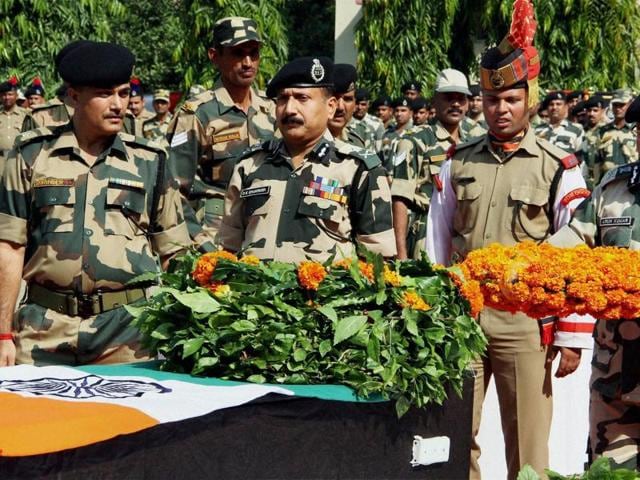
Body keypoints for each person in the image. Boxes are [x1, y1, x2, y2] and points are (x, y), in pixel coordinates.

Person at [425, 7, 595, 478]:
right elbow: (437, 242)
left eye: (512, 99)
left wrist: (572, 333)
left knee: (529, 449)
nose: (501, 108)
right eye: (491, 98)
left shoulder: (558, 167)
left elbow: (577, 253)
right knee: (455, 436)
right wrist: (434, 310)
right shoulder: (456, 163)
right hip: (462, 319)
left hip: (525, 323)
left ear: (530, 101)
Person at [0, 40, 191, 367]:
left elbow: (174, 251)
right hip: (43, 330)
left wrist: (184, 330)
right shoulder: (31, 155)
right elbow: (9, 246)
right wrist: (3, 334)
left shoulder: (151, 161)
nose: (118, 104)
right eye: (105, 94)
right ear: (74, 96)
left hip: (127, 334)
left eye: (123, 92)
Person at [219, 56, 396, 263]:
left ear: (330, 107)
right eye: (283, 99)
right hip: (255, 292)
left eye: (302, 98)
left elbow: (378, 260)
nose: (290, 109)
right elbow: (227, 248)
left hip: (325, 294)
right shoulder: (250, 164)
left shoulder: (359, 169)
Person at [549, 95, 640, 471]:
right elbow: (570, 245)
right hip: (616, 380)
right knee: (609, 475)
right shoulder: (613, 188)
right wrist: (519, 264)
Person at [167, 16, 276, 249]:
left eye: (253, 53)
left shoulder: (272, 111)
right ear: (214, 56)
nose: (248, 62)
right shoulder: (196, 115)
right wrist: (200, 242)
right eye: (238, 53)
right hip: (215, 235)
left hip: (263, 232)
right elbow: (173, 190)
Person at [391, 68, 471, 260]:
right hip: (426, 234)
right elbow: (400, 199)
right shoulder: (415, 140)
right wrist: (401, 255)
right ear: (434, 101)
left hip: (463, 237)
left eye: (461, 98)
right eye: (448, 98)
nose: (455, 104)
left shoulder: (474, 142)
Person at [593, 89, 638, 186]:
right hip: (607, 185)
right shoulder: (602, 131)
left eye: (622, 105)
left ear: (630, 104)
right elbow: (596, 163)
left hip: (631, 184)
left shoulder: (636, 131)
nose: (618, 109)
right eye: (615, 105)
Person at [328, 64, 371, 150]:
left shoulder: (357, 143)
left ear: (355, 104)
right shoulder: (304, 144)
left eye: (347, 99)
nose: (340, 107)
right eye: (334, 98)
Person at [535, 91, 585, 156]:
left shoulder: (576, 130)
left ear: (566, 107)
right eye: (551, 104)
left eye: (558, 104)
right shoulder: (538, 129)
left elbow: (580, 156)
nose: (554, 107)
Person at [0, 76, 31, 164]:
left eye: (10, 94)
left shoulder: (26, 115)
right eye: (4, 95)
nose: (7, 97)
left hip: (20, 159)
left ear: (16, 96)